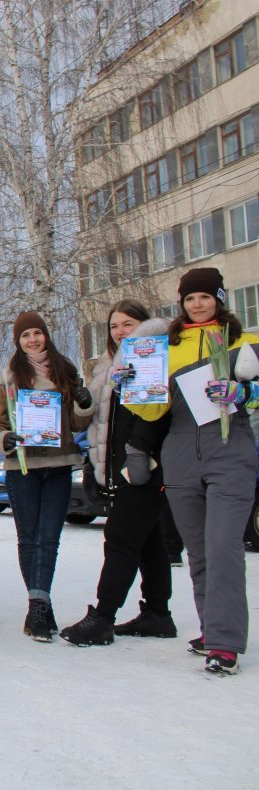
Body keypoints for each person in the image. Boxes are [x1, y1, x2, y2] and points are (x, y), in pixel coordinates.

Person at [126, 268, 258, 674]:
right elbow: (153, 410)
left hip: (230, 452)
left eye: (204, 297)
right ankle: (211, 630)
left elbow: (255, 393)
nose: (197, 304)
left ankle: (225, 642)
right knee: (199, 552)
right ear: (181, 304)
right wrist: (132, 387)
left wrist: (245, 393)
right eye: (189, 299)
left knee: (223, 548)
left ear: (219, 298)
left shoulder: (244, 342)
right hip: (181, 453)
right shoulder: (167, 345)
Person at [60, 301, 175, 646]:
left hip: (147, 464)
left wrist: (143, 453)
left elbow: (159, 413)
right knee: (149, 542)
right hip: (116, 467)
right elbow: (89, 417)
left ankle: (103, 617)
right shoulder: (107, 366)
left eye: (128, 324)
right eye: (114, 326)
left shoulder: (156, 357)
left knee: (121, 540)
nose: (120, 331)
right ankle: (158, 614)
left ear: (145, 325)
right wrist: (82, 399)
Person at [0, 311, 94, 642]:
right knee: (29, 537)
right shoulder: (7, 379)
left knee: (49, 538)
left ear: (46, 335)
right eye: (25, 336)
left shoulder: (66, 371)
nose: (32, 340)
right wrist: (4, 440)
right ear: (17, 342)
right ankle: (39, 606)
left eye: (37, 333)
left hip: (59, 463)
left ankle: (38, 606)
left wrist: (83, 404)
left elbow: (78, 425)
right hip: (22, 467)